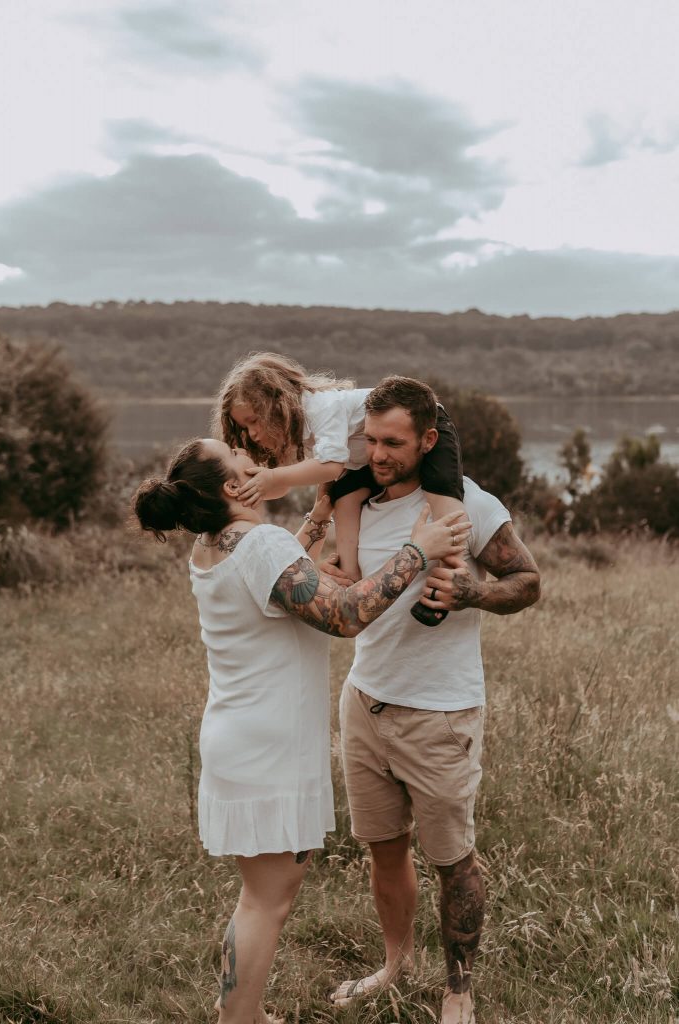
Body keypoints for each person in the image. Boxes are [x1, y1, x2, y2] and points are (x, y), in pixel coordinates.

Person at [131, 436, 469, 1024]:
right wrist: (418, 549)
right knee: (269, 902)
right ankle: (237, 1020)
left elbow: (284, 573)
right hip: (270, 746)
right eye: (245, 466)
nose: (260, 468)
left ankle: (245, 1012)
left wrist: (316, 518)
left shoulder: (212, 545)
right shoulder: (258, 544)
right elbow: (342, 614)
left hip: (242, 736)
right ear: (234, 489)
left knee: (258, 896)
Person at [325, 377, 541, 1024]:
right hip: (364, 701)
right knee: (383, 847)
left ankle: (458, 991)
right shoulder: (358, 500)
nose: (380, 453)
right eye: (372, 439)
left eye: (394, 442)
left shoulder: (468, 503)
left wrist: (473, 593)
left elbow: (528, 581)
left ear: (427, 439)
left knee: (452, 860)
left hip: (441, 713)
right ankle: (395, 964)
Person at [214, 351, 465, 625]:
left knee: (442, 496)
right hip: (364, 458)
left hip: (418, 425)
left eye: (254, 420)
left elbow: (331, 466)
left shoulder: (323, 407)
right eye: (244, 427)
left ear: (277, 404)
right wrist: (257, 486)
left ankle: (447, 582)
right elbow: (281, 487)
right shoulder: (293, 431)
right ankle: (351, 580)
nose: (252, 434)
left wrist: (272, 478)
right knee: (343, 498)